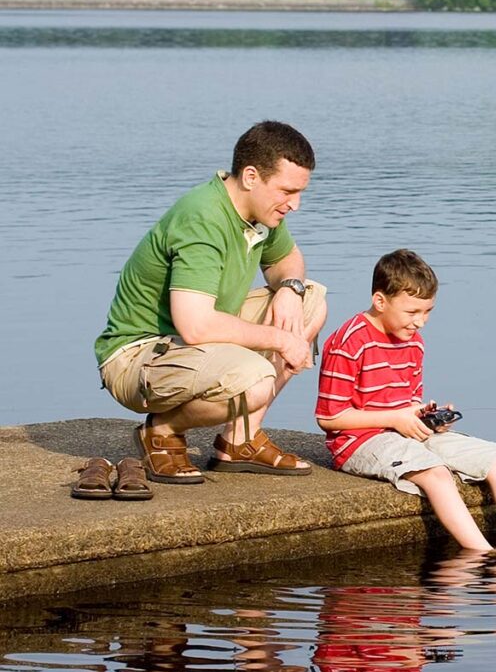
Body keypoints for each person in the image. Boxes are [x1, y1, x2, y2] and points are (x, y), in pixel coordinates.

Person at [95, 121, 328, 484]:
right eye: (287, 191)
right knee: (256, 380)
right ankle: (162, 431)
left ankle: (239, 440)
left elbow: (287, 261)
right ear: (251, 176)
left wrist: (289, 288)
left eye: (300, 192)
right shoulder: (203, 218)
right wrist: (282, 340)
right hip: (138, 356)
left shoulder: (259, 211)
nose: (295, 204)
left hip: (189, 347)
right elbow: (195, 325)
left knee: (310, 299)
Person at [315, 249, 496, 551]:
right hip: (359, 441)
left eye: (428, 312)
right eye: (412, 312)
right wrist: (394, 419)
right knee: (437, 475)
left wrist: (425, 417)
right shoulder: (349, 342)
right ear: (380, 301)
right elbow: (329, 418)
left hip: (403, 431)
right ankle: (484, 554)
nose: (420, 322)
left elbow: (407, 400)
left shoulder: (414, 342)